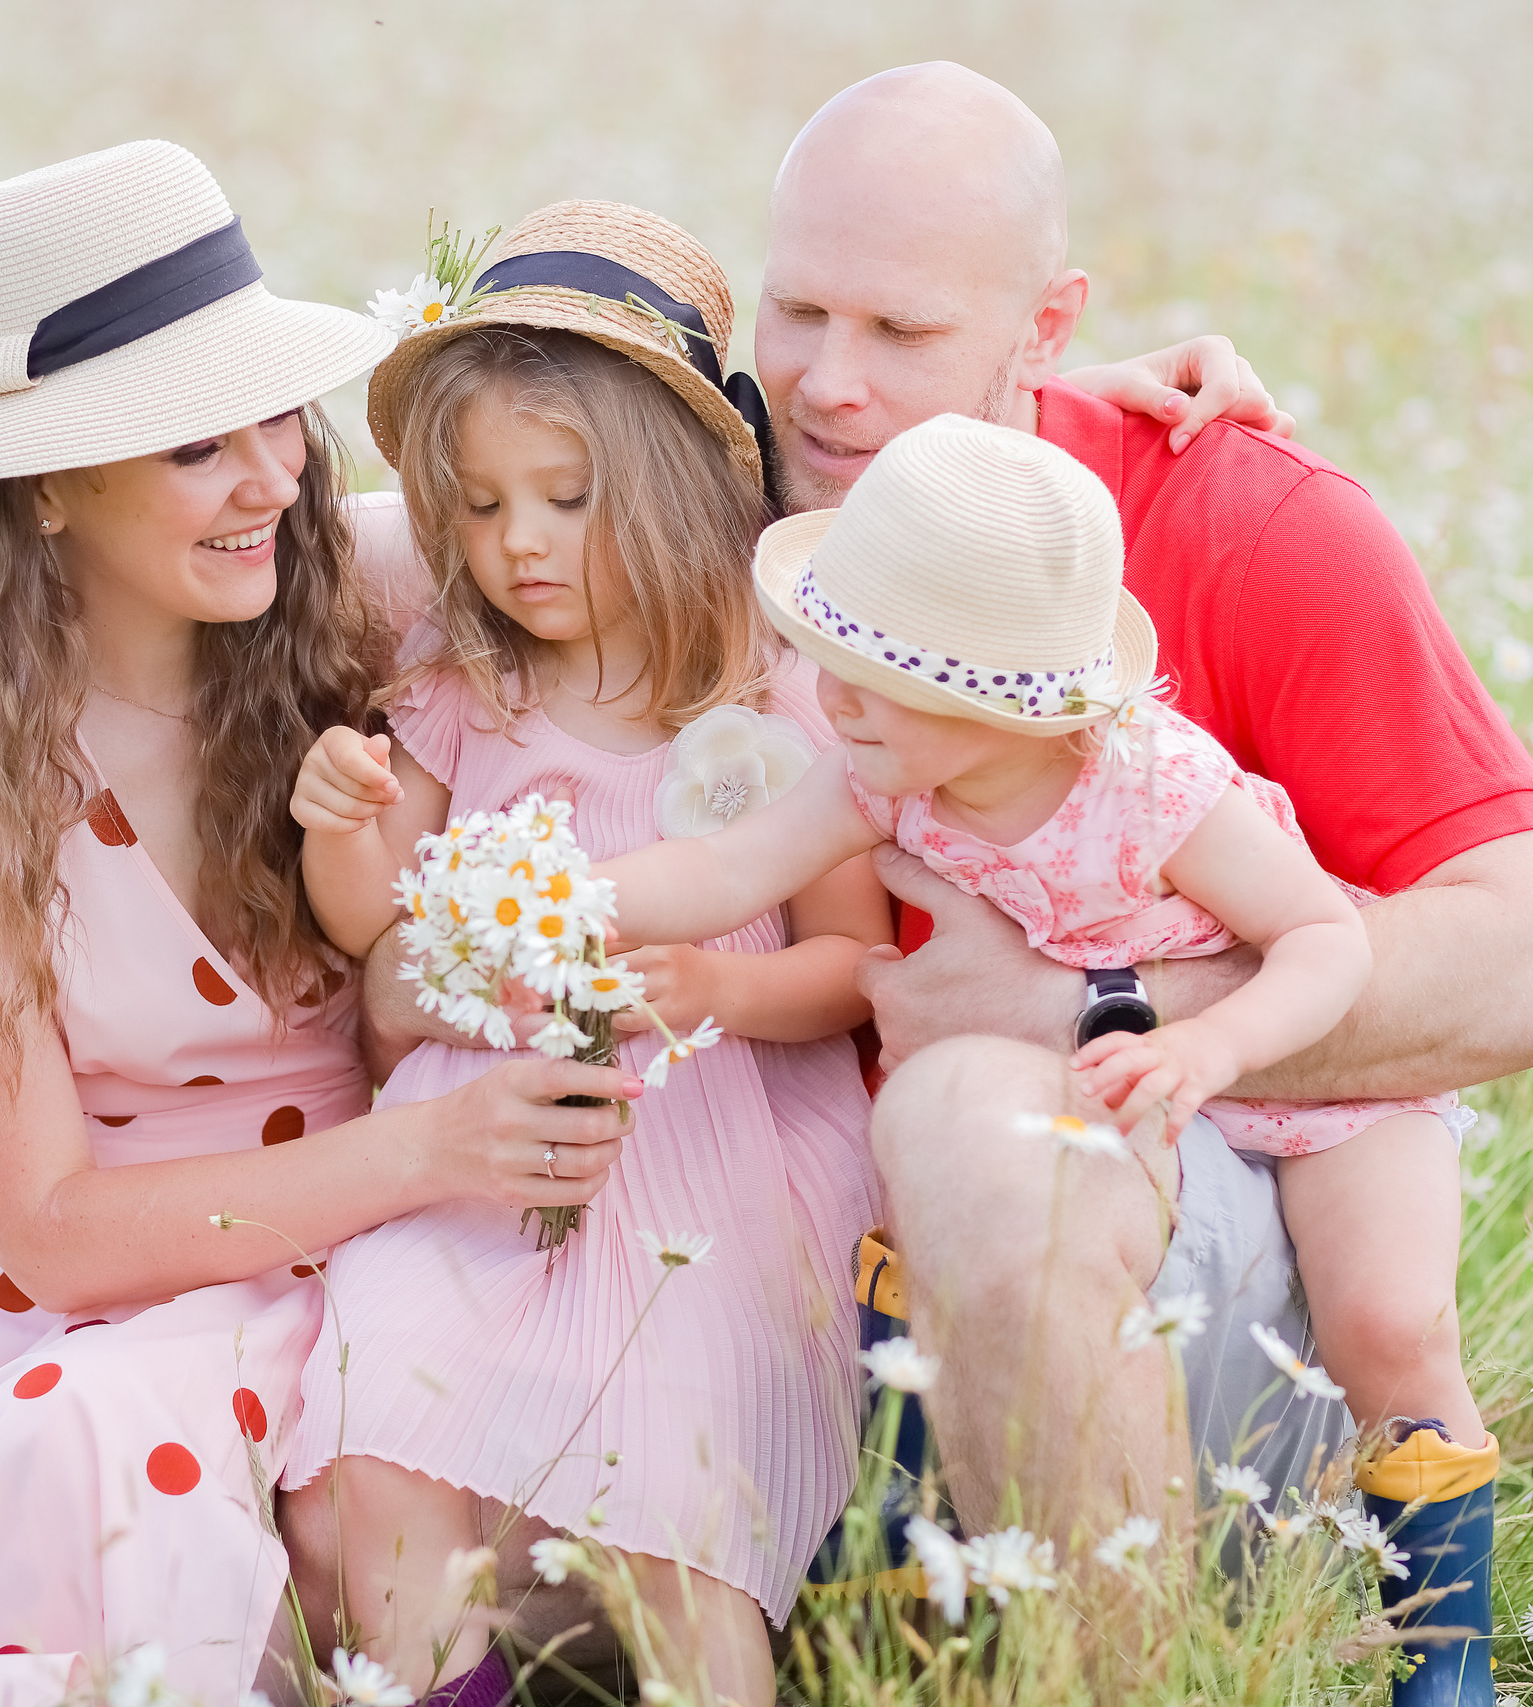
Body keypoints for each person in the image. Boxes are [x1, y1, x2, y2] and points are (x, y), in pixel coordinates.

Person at [0, 141, 641, 1707]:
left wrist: (1067, 402)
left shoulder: (367, 582)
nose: (276, 475)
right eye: (196, 444)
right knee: (81, 1441)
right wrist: (431, 1150)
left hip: (384, 1226)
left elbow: (714, 528)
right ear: (48, 481)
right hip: (69, 1285)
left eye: (276, 416)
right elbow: (52, 1229)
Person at [749, 63, 1533, 1706]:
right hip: (773, 1282)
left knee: (976, 1127)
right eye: (797, 311)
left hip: (1141, 1263)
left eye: (905, 335)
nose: (830, 389)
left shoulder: (1246, 520)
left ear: (1043, 323)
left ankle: (1130, 1672)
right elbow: (419, 514)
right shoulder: (726, 476)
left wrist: (1088, 1004)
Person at [594, 408, 1490, 1568]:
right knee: (945, 1187)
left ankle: (1442, 1643)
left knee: (1390, 1321)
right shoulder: (882, 771)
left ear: (1008, 705)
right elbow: (726, 867)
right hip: (1131, 1094)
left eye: (874, 676)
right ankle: (912, 1522)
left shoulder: (1154, 786)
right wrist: (556, 893)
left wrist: (1208, 1047)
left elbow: (1326, 938)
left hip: (1306, 1085)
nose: (834, 698)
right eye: (835, 661)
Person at [280, 202, 887, 1706]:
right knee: (368, 1423)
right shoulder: (462, 687)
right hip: (481, 1147)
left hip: (715, 1148)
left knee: (677, 1482)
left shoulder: (774, 695)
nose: (516, 544)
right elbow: (374, 927)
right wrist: (339, 819)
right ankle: (447, 1682)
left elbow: (852, 968)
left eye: (564, 498)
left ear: (680, 492)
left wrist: (723, 987)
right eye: (478, 508)